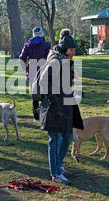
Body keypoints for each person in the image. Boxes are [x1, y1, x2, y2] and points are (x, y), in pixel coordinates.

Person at [32, 29, 83, 184]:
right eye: (71, 50)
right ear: (64, 49)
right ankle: (55, 174)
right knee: (54, 139)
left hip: (65, 106)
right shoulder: (56, 62)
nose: (73, 52)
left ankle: (58, 165)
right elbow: (43, 82)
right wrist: (54, 98)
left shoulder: (65, 61)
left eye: (74, 50)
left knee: (67, 137)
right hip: (53, 107)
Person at [19, 26, 51, 121]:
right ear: (42, 34)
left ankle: (36, 117)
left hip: (32, 72)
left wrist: (26, 70)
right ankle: (44, 114)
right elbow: (50, 58)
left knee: (35, 96)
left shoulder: (27, 45)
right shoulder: (45, 45)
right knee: (45, 94)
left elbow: (21, 59)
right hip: (43, 71)